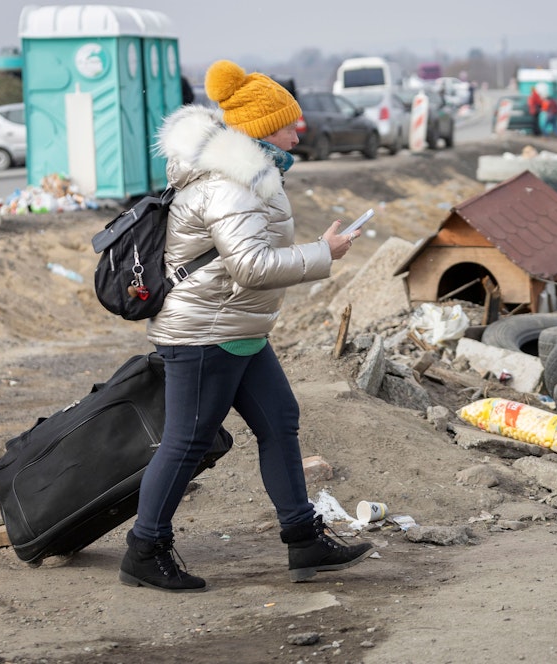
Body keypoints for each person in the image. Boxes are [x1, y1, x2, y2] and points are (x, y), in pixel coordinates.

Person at [118, 59, 374, 593]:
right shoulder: (232, 185)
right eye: (288, 123)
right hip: (206, 332)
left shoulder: (253, 175)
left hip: (236, 325)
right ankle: (144, 549)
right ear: (260, 129)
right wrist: (323, 253)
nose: (298, 131)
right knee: (187, 441)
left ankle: (303, 540)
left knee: (280, 420)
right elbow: (250, 266)